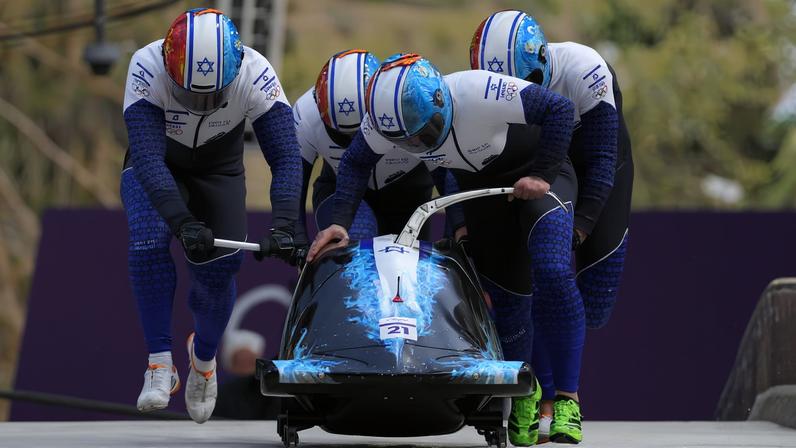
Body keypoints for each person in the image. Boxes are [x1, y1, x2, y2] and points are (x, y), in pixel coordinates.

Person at [307, 53, 579, 447]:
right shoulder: (384, 122)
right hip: (485, 197)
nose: (420, 143)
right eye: (409, 141)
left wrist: (542, 172)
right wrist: (340, 223)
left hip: (535, 179)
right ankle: (526, 390)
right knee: (509, 300)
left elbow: (559, 108)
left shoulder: (477, 90)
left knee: (552, 270)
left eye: (426, 130)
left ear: (440, 101)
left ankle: (568, 397)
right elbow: (353, 165)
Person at [121, 8, 304, 423]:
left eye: (212, 95)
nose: (201, 104)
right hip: (160, 163)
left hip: (219, 169)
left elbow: (287, 158)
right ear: (170, 70)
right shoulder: (147, 65)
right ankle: (159, 361)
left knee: (219, 270)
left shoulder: (256, 72)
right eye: (189, 94)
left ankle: (203, 359)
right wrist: (182, 222)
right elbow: (148, 159)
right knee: (148, 242)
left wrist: (285, 224)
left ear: (234, 72)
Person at [471, 10, 634, 444]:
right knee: (543, 271)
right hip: (542, 167)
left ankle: (553, 388)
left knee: (594, 304)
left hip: (593, 161)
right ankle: (550, 397)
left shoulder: (584, 70)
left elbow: (600, 161)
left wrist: (581, 227)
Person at [293, 49, 436, 242]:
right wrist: (296, 237)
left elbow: (445, 163)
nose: (357, 142)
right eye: (342, 135)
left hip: (409, 194)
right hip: (340, 191)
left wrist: (458, 226)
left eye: (359, 132)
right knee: (357, 245)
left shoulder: (405, 104)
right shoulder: (305, 114)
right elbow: (294, 181)